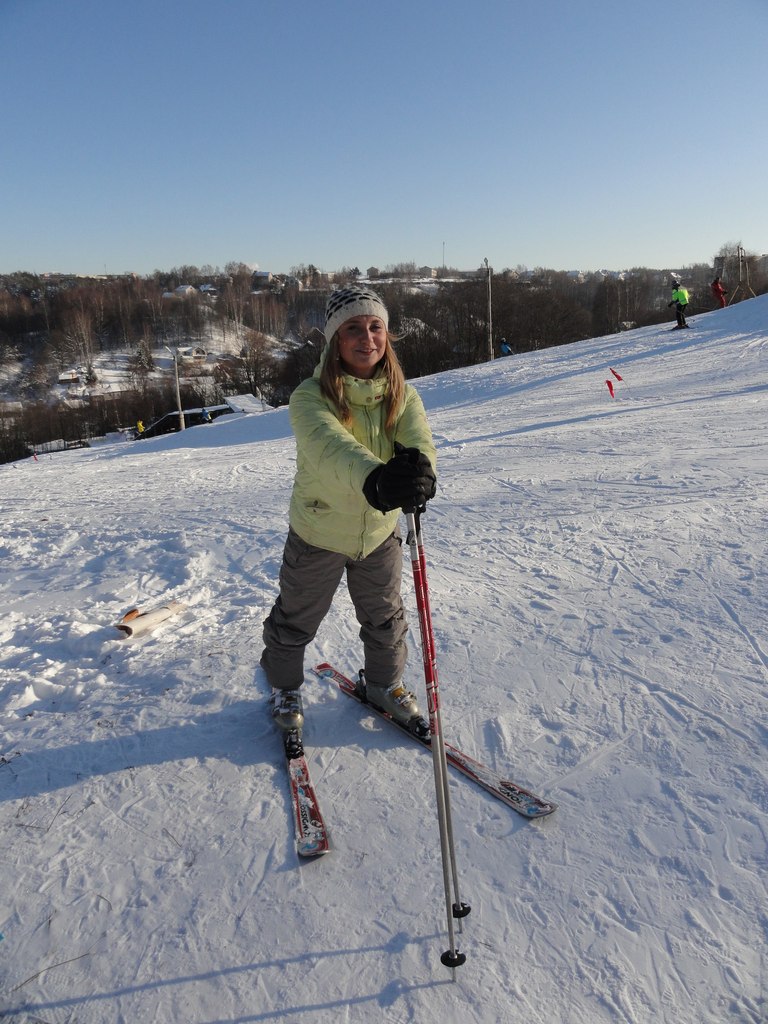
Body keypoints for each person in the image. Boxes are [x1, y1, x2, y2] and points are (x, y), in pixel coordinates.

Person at [261, 284, 437, 734]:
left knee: (385, 619)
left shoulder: (403, 397)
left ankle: (383, 683)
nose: (367, 338)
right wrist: (376, 478)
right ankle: (284, 686)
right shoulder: (309, 397)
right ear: (335, 339)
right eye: (353, 328)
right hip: (319, 531)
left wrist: (420, 473)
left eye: (376, 326)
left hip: (379, 534)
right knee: (294, 621)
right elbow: (330, 447)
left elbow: (418, 444)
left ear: (387, 335)